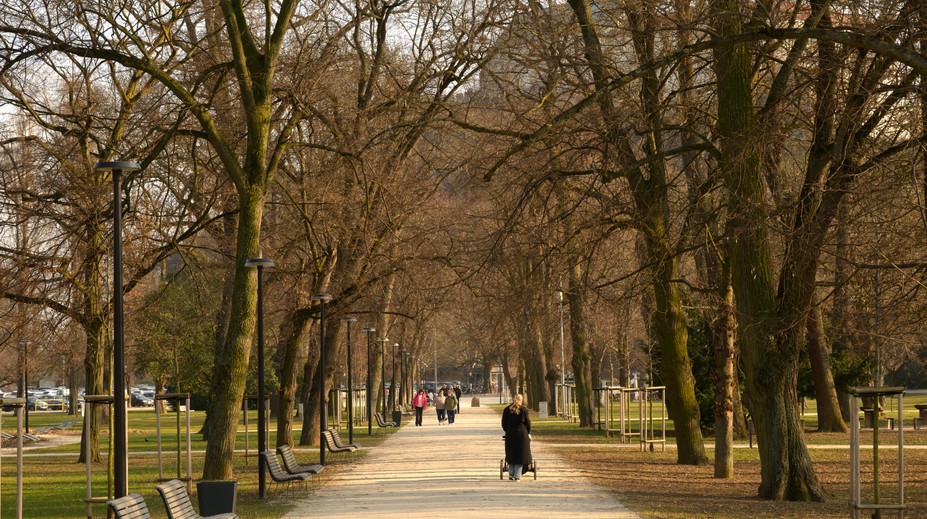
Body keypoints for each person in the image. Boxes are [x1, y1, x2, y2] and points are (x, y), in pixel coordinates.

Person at [501, 394, 531, 481]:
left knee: (511, 453)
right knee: (520, 455)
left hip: (510, 433)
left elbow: (503, 423)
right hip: (522, 434)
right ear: (521, 401)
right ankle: (517, 475)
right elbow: (528, 423)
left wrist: (507, 430)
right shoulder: (524, 410)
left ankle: (511, 473)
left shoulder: (507, 409)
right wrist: (528, 432)